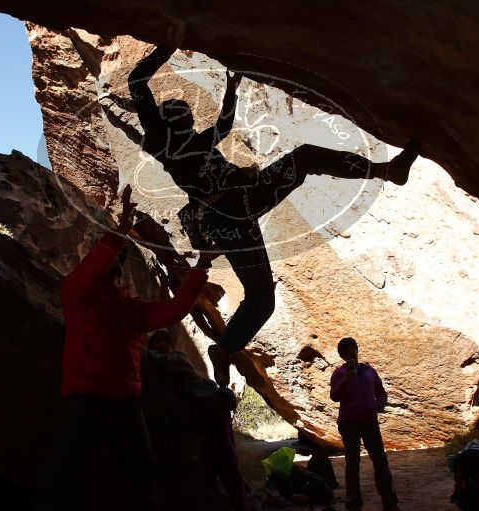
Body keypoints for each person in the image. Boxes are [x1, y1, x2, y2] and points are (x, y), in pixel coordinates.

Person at [128, 31, 421, 387]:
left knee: (305, 158)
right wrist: (170, 41)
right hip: (228, 215)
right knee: (263, 298)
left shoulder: (197, 140)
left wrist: (231, 89)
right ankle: (224, 350)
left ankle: (385, 171)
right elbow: (137, 79)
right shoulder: (161, 140)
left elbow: (222, 125)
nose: (187, 114)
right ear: (164, 119)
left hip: (244, 200)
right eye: (178, 111)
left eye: (187, 111)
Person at [29, 185, 219, 511]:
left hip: (124, 405)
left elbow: (175, 309)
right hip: (85, 402)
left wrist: (202, 264)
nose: (118, 272)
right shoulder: (77, 296)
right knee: (64, 478)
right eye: (115, 267)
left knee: (140, 476)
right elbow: (88, 272)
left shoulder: (130, 310)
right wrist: (118, 233)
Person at [143, 330, 249, 511]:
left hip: (215, 408)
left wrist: (145, 353)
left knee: (225, 456)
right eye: (158, 341)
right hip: (205, 410)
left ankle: (240, 508)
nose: (163, 345)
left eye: (166, 342)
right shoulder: (156, 369)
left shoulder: (176, 358)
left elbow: (168, 364)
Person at [329, 337, 404, 511]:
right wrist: (345, 379)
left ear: (356, 349)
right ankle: (355, 507)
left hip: (370, 421)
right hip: (348, 423)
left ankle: (390, 504)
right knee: (352, 464)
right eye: (345, 351)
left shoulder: (370, 371)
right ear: (341, 355)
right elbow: (334, 396)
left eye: (351, 349)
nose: (349, 353)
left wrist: (379, 404)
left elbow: (381, 392)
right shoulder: (339, 373)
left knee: (380, 462)